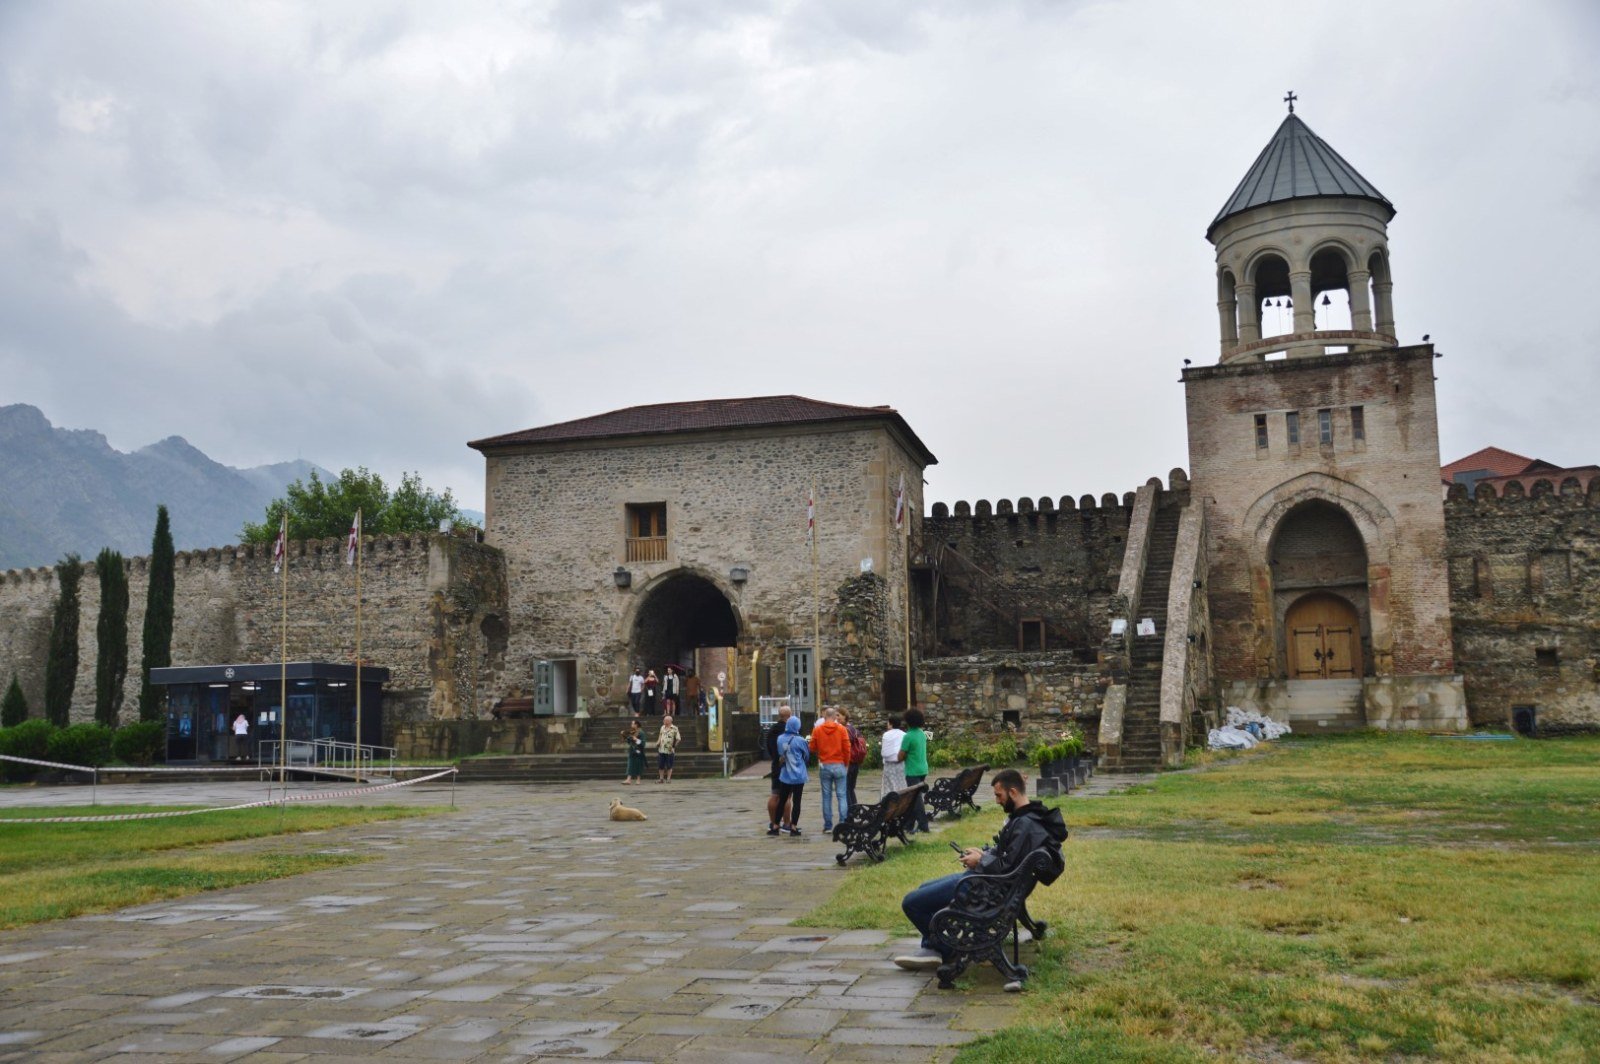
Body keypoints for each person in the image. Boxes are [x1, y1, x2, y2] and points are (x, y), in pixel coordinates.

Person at [893, 768, 1068, 976]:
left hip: (985, 890)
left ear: (1012, 792)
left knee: (911, 902)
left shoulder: (1025, 823)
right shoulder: (1028, 817)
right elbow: (1010, 859)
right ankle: (932, 946)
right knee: (923, 889)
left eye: (998, 795)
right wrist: (983, 854)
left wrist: (980, 861)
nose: (996, 801)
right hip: (989, 884)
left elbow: (1008, 868)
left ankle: (942, 948)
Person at [808, 706, 851, 833]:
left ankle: (828, 825)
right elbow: (847, 749)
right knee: (842, 795)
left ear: (824, 716)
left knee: (826, 796)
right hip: (839, 764)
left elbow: (812, 747)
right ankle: (843, 823)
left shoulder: (818, 730)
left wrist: (821, 749)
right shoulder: (842, 729)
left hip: (825, 765)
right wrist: (846, 764)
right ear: (834, 717)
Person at [775, 714, 809, 837]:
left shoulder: (780, 739)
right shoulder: (800, 740)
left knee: (782, 800)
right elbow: (807, 756)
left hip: (785, 775)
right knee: (797, 801)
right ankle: (793, 827)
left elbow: (780, 753)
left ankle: (775, 825)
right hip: (798, 775)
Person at [900, 708, 931, 833]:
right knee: (913, 798)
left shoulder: (908, 736)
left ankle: (924, 825)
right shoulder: (921, 733)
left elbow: (900, 756)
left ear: (908, 721)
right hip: (923, 768)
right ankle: (909, 824)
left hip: (912, 771)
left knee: (916, 800)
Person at [766, 705, 793, 835]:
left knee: (775, 795)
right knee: (787, 796)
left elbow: (769, 749)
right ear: (789, 716)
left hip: (776, 766)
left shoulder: (772, 730)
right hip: (787, 767)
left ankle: (773, 822)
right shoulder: (789, 732)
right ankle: (787, 824)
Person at [840, 707, 866, 810]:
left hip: (848, 762)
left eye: (838, 715)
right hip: (855, 762)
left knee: (846, 789)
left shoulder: (845, 729)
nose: (836, 718)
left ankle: (850, 812)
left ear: (845, 717)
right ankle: (855, 810)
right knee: (851, 789)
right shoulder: (854, 729)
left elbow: (846, 745)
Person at [881, 714, 907, 796]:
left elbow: (884, 752)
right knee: (901, 787)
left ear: (891, 724)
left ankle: (889, 805)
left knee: (889, 788)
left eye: (888, 723)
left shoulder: (886, 735)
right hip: (901, 764)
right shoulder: (904, 735)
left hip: (888, 765)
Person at [656, 714, 681, 783]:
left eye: (665, 720)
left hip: (669, 750)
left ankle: (668, 779)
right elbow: (660, 736)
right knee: (661, 765)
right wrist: (658, 742)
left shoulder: (675, 728)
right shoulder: (662, 727)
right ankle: (661, 779)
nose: (663, 721)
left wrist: (673, 746)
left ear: (669, 721)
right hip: (661, 749)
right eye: (664, 720)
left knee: (669, 765)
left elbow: (678, 739)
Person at [621, 720, 646, 784]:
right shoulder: (632, 732)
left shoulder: (641, 732)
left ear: (636, 725)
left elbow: (643, 743)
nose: (631, 725)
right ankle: (628, 779)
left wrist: (636, 739)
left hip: (639, 750)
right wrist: (624, 736)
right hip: (632, 750)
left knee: (638, 765)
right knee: (630, 764)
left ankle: (638, 780)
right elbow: (629, 741)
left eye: (632, 723)